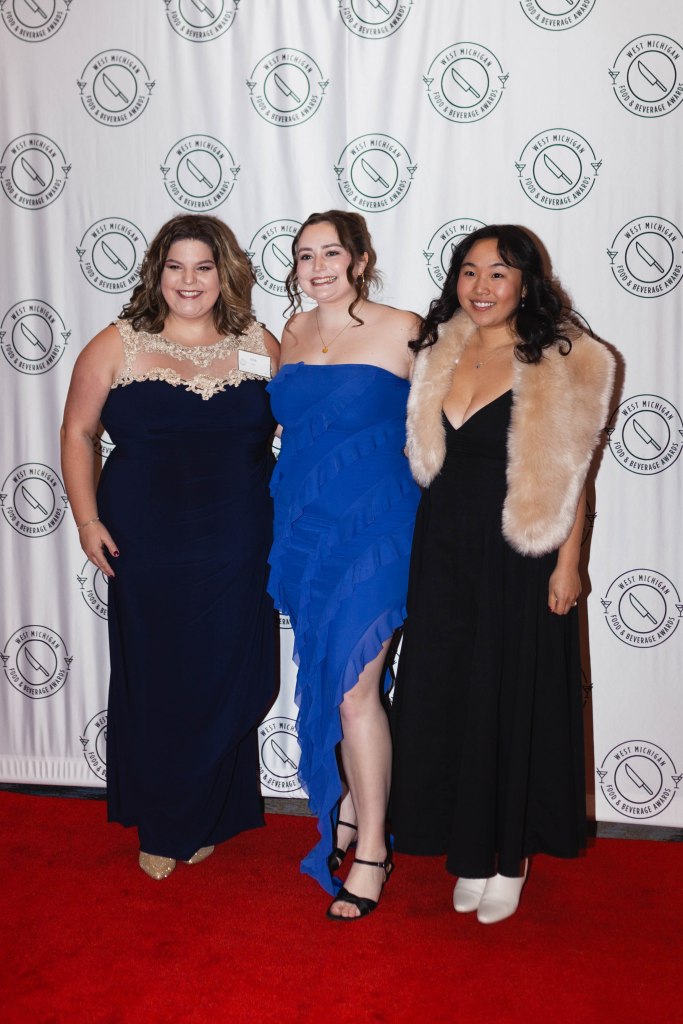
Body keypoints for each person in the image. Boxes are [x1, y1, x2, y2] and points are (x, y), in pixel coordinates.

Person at [390, 225, 615, 923]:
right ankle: (468, 848)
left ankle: (509, 857)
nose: (480, 287)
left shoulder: (565, 358)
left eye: (497, 273)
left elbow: (576, 474)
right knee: (450, 695)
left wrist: (569, 563)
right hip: (442, 550)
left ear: (525, 281)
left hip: (520, 554)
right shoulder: (437, 349)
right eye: (469, 271)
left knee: (513, 696)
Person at [61, 214, 280, 880]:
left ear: (224, 273)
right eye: (176, 266)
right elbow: (78, 433)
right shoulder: (116, 344)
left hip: (239, 540)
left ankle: (212, 810)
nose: (189, 281)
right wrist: (87, 521)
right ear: (156, 273)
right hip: (146, 544)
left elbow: (302, 428)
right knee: (159, 677)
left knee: (230, 674)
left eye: (203, 267)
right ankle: (164, 823)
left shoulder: (259, 343)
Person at [267, 210, 421, 919]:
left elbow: (453, 418)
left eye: (331, 253)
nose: (318, 267)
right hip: (304, 528)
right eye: (305, 256)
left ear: (360, 259)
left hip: (377, 530)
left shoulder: (403, 327)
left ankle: (372, 852)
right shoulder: (291, 332)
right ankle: (355, 811)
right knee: (336, 683)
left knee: (356, 689)